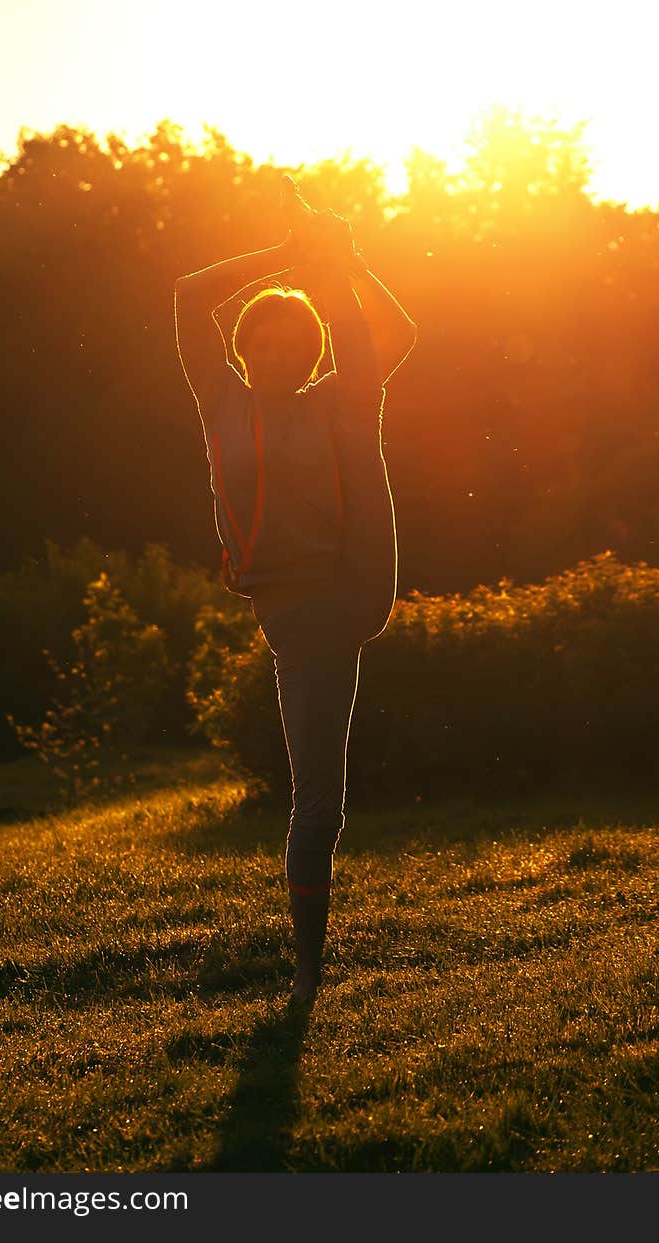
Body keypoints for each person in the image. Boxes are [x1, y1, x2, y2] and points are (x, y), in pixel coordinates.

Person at [174, 178, 417, 1005]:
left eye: (293, 346)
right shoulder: (219, 402)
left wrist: (336, 265)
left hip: (337, 596)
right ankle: (310, 968)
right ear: (244, 353)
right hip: (287, 604)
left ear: (311, 356)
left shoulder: (340, 406)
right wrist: (286, 256)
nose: (277, 357)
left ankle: (307, 978)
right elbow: (187, 296)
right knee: (320, 796)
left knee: (315, 796)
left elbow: (379, 335)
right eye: (262, 345)